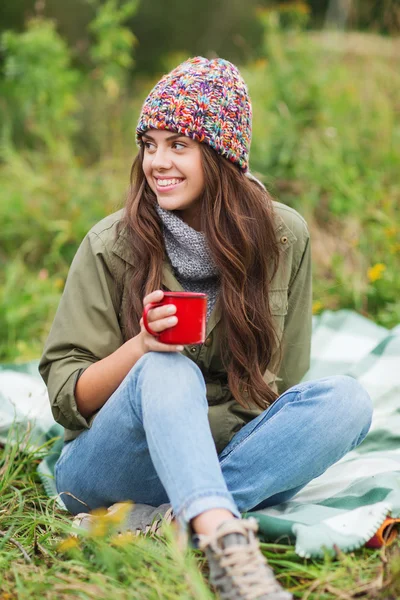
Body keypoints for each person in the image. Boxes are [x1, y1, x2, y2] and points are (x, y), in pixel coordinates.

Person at [39, 56, 373, 600]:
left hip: (225, 453)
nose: (157, 162)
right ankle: (225, 544)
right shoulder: (110, 245)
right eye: (150, 143)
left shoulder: (284, 237)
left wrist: (213, 437)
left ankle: (175, 519)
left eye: (178, 145)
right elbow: (64, 396)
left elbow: (283, 383)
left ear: (220, 155)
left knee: (349, 401)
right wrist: (141, 348)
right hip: (112, 467)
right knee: (166, 368)